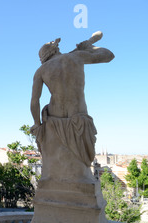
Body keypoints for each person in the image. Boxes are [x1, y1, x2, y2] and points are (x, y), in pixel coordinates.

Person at [30, 32, 114, 182]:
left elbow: (34, 102)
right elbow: (108, 55)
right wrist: (91, 47)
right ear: (56, 50)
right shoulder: (76, 57)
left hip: (53, 120)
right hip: (78, 116)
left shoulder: (41, 71)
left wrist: (37, 124)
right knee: (80, 171)